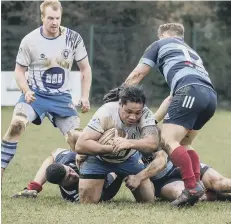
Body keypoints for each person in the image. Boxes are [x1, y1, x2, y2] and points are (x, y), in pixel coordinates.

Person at [123, 23, 217, 206]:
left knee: (167, 140)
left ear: (162, 36)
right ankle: (195, 186)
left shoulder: (160, 44)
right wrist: (154, 119)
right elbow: (172, 97)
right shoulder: (190, 52)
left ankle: (191, 187)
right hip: (210, 96)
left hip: (189, 91)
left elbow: (137, 75)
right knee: (184, 143)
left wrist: (120, 94)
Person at [1, 0, 92, 180]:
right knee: (16, 125)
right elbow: (19, 71)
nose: (54, 22)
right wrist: (26, 90)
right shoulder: (30, 40)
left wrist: (85, 96)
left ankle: (89, 180)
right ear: (42, 17)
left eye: (57, 18)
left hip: (61, 99)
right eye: (50, 18)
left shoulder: (73, 38)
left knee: (78, 140)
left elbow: (85, 69)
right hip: (36, 96)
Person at [75, 85, 160, 204]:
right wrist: (110, 148)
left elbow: (153, 143)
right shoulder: (106, 112)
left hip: (128, 158)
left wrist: (128, 143)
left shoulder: (146, 114)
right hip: (100, 159)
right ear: (120, 104)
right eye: (128, 111)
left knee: (148, 201)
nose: (133, 117)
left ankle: (120, 175)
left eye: (137, 113)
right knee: (87, 202)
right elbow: (80, 145)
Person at [12, 147, 122, 203]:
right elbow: (106, 192)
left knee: (55, 155)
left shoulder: (66, 161)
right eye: (69, 177)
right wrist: (122, 173)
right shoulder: (74, 195)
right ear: (61, 184)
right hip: (104, 184)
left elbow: (56, 153)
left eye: (70, 171)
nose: (73, 174)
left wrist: (81, 153)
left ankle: (33, 187)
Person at [125, 150, 231, 203]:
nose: (132, 117)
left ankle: (217, 192)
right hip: (163, 182)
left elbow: (161, 161)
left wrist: (138, 177)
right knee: (183, 194)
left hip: (180, 164)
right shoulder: (121, 147)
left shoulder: (148, 130)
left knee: (220, 183)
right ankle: (218, 196)